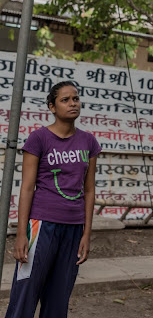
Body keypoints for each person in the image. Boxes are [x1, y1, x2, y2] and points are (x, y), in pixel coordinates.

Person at [5, 81, 102, 318]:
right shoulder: (38, 139)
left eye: (76, 99)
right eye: (65, 100)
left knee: (58, 299)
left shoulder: (88, 142)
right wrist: (21, 234)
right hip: (41, 225)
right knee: (25, 293)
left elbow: (89, 190)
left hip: (73, 228)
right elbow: (27, 188)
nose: (73, 103)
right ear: (52, 107)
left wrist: (86, 234)